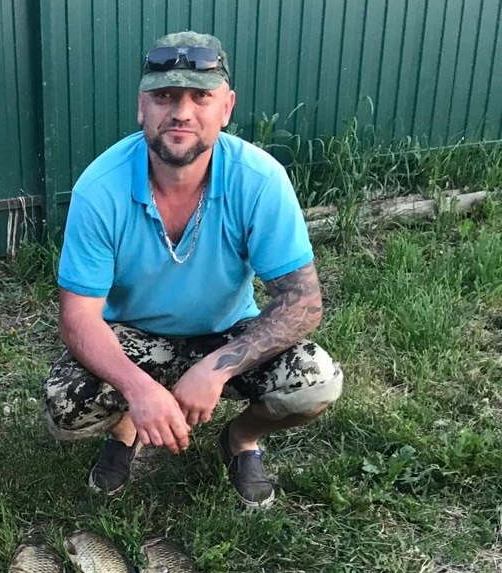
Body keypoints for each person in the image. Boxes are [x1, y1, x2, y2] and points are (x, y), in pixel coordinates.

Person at [42, 31, 343, 509]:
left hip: (227, 333)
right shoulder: (99, 188)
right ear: (142, 107)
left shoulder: (260, 180)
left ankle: (241, 439)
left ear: (226, 108)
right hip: (135, 336)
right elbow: (78, 318)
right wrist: (138, 389)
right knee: (66, 404)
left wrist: (216, 370)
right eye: (164, 96)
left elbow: (301, 301)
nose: (181, 112)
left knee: (316, 381)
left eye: (200, 97)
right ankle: (126, 430)